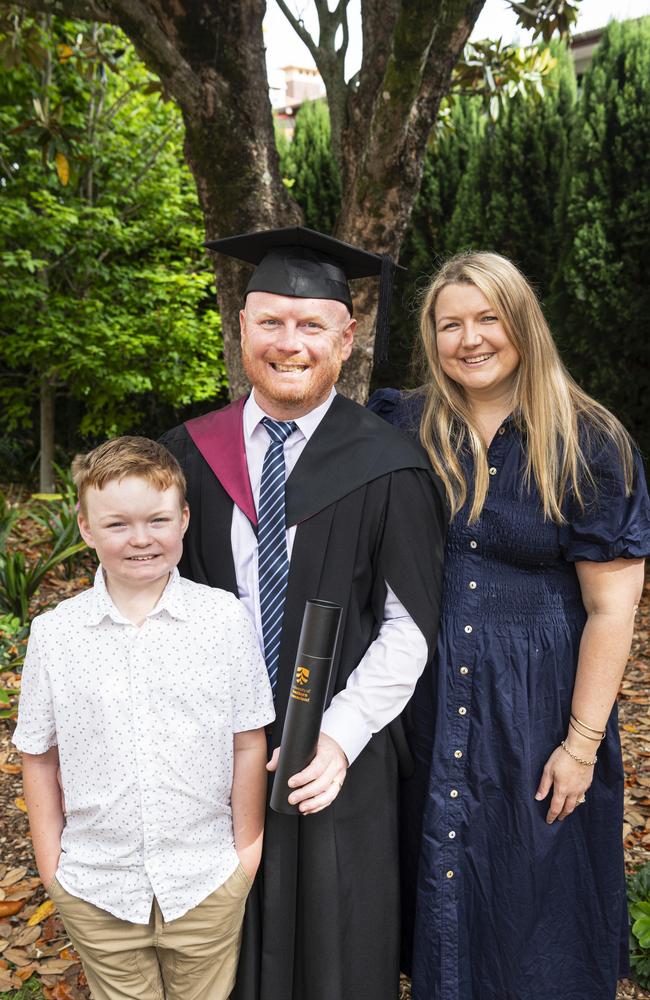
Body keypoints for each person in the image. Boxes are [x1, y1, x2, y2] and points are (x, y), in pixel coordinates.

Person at [160, 226, 446, 1000]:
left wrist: (341, 735)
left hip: (339, 756)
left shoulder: (390, 464)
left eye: (312, 325)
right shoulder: (185, 457)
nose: (290, 343)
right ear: (242, 328)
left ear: (346, 339)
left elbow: (410, 627)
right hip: (209, 754)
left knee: (338, 954)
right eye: (271, 322)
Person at [369, 251, 650, 1000]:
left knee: (536, 913)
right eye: (450, 323)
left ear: (522, 322)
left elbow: (612, 608)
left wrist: (581, 745)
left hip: (536, 709)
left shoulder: (589, 440)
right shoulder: (402, 426)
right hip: (424, 706)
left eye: (488, 317)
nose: (471, 339)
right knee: (440, 901)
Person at [13, 436, 275, 1000]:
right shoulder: (55, 635)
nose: (140, 539)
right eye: (117, 524)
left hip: (206, 881)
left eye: (157, 519)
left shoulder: (223, 620)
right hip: (95, 887)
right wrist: (52, 868)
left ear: (183, 518)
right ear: (85, 527)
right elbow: (38, 756)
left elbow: (249, 742)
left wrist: (245, 856)